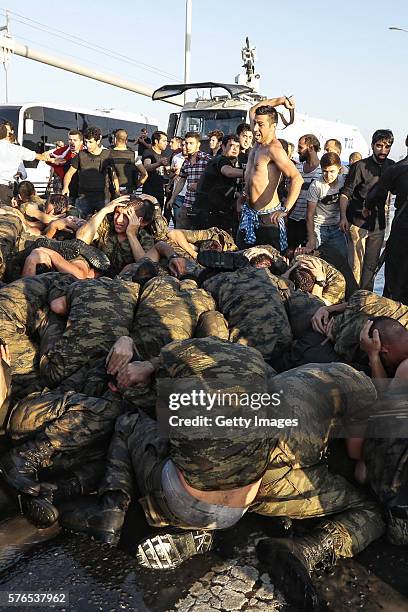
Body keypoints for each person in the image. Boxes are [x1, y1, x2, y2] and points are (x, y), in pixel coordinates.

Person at [236, 97, 303, 252]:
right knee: (241, 263)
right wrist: (280, 101)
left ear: (273, 126)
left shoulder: (274, 149)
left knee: (270, 268)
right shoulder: (257, 143)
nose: (255, 129)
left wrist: (285, 209)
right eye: (255, 123)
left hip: (268, 219)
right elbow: (253, 110)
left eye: (261, 125)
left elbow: (296, 179)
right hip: (249, 215)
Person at [339, 129, 395, 289]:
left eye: (387, 146)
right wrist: (343, 217)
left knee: (371, 267)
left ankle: (365, 302)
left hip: (379, 225)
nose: (383, 150)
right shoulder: (360, 166)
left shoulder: (392, 167)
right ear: (372, 145)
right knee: (356, 267)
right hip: (357, 223)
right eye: (379, 146)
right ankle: (351, 303)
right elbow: (345, 194)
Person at [365, 151, 408, 303]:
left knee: (393, 285)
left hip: (401, 232)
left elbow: (374, 195)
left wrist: (367, 208)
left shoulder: (396, 169)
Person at [62, 127, 116, 218]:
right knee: (80, 223)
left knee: (104, 223)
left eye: (90, 142)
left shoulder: (108, 155)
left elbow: (113, 175)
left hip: (102, 198)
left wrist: (116, 191)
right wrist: (65, 187)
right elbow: (69, 174)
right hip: (83, 198)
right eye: (86, 142)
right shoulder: (80, 155)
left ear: (98, 141)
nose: (87, 145)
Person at [194, 134, 244, 232]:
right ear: (223, 146)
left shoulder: (218, 160)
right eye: (231, 145)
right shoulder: (222, 160)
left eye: (237, 146)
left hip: (208, 210)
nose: (235, 149)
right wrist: (250, 173)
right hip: (209, 213)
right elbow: (228, 171)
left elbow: (223, 189)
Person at [305, 152, 347, 257]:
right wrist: (311, 238)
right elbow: (309, 215)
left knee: (342, 258)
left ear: (339, 169)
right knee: (316, 258)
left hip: (337, 227)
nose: (328, 176)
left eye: (332, 171)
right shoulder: (316, 185)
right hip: (319, 227)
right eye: (325, 171)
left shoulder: (344, 181)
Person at [166, 133, 212, 230]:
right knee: (180, 231)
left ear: (198, 144)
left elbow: (214, 180)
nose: (188, 146)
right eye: (186, 143)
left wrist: (199, 185)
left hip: (202, 205)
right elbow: (182, 180)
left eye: (191, 143)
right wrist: (172, 198)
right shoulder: (186, 162)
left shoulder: (207, 159)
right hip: (187, 203)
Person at [0, 123, 50, 207]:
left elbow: (23, 171)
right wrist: (52, 158)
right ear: (6, 134)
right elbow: (38, 156)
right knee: (6, 216)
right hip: (5, 190)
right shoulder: (17, 149)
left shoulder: (16, 148)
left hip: (8, 188)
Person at [286, 134, 322, 250]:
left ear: (311, 148)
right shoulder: (297, 169)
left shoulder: (323, 171)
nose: (298, 151)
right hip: (294, 219)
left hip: (312, 223)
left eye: (301, 148)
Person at [47, 130, 84, 200]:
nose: (72, 142)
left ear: (81, 142)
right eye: (70, 140)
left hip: (81, 185)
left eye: (75, 140)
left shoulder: (86, 151)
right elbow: (47, 156)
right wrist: (54, 161)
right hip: (64, 183)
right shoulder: (64, 151)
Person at [110, 129, 147, 195]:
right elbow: (145, 174)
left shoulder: (108, 153)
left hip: (112, 193)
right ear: (126, 141)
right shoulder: (133, 154)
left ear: (115, 140)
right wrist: (135, 187)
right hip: (129, 192)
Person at [142, 130, 169, 210]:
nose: (166, 143)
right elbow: (146, 167)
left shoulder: (164, 155)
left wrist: (171, 171)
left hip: (160, 191)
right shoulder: (148, 152)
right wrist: (159, 164)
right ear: (156, 141)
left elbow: (166, 173)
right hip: (149, 192)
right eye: (164, 141)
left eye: (166, 141)